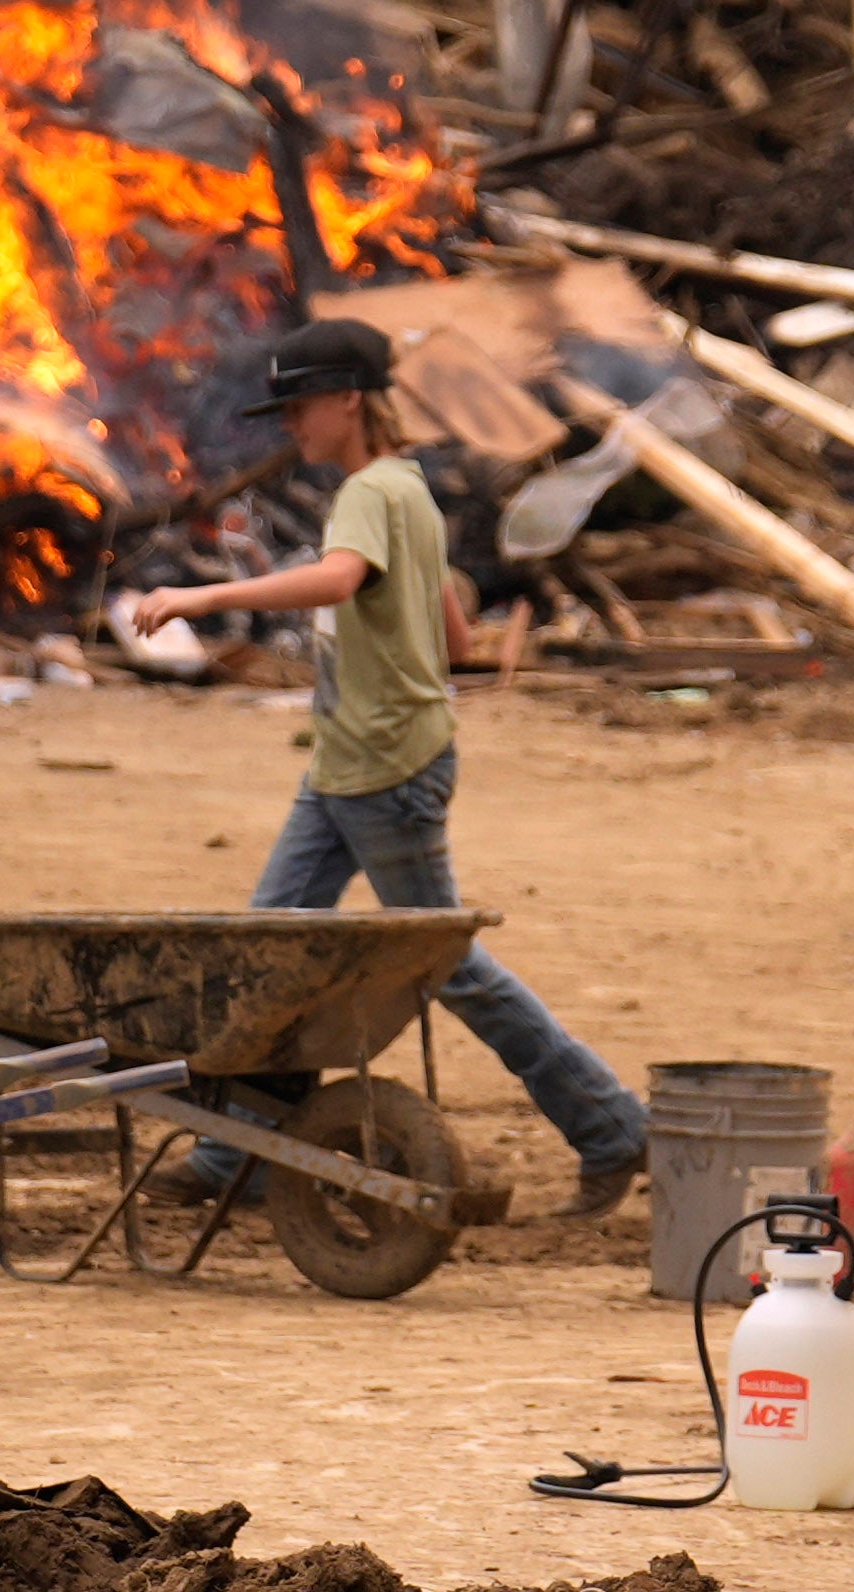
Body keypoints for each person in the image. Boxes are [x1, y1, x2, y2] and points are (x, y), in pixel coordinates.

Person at [109, 312, 653, 1220]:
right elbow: (448, 629)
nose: (290, 428)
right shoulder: (410, 489)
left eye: (300, 408)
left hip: (383, 768)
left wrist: (201, 592)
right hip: (358, 758)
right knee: (273, 943)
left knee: (448, 964)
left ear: (349, 402)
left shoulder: (368, 492)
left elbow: (337, 581)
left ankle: (609, 1125)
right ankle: (234, 1152)